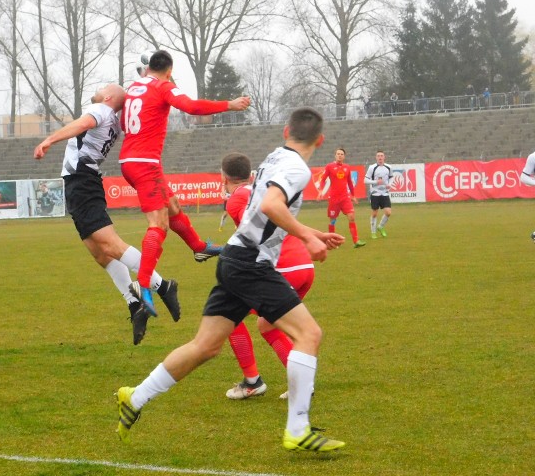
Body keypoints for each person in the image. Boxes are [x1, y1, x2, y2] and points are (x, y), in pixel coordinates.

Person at [116, 107, 347, 453]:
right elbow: (270, 205)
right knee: (309, 334)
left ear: (286, 131)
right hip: (251, 263)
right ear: (321, 140)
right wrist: (309, 237)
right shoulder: (297, 168)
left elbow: (260, 211)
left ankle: (135, 396)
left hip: (234, 259)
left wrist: (311, 232)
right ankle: (297, 428)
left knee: (205, 347)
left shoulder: (274, 157)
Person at [33, 83, 180, 345]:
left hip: (82, 182)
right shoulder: (113, 119)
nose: (98, 91)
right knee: (100, 253)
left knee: (111, 245)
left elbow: (80, 125)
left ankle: (162, 285)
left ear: (109, 97)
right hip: (81, 183)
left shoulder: (100, 109)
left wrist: (49, 140)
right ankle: (135, 305)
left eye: (102, 88)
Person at [118, 49, 250, 317]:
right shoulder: (162, 85)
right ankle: (144, 287)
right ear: (169, 70)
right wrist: (230, 104)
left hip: (130, 160)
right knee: (159, 224)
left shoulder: (135, 87)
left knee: (173, 205)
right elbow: (191, 107)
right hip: (145, 163)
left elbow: (124, 122)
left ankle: (199, 248)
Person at [221, 152, 316, 401]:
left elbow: (258, 234)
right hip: (303, 265)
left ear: (224, 177)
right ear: (251, 174)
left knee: (226, 317)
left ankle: (252, 382)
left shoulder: (236, 199)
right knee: (267, 325)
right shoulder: (263, 189)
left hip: (279, 266)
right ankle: (301, 384)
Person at [317, 147, 366, 248]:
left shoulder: (347, 167)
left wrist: (353, 195)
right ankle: (331, 241)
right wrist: (321, 191)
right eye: (338, 154)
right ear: (335, 155)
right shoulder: (330, 166)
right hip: (334, 199)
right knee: (333, 220)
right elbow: (323, 180)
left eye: (341, 154)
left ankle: (356, 241)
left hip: (345, 198)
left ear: (344, 156)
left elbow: (350, 183)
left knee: (351, 217)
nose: (340, 155)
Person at [364, 150, 393, 239]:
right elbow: (365, 180)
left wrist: (389, 185)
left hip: (384, 193)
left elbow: (391, 177)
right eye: (378, 156)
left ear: (384, 157)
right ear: (376, 157)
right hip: (375, 193)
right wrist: (376, 181)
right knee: (374, 214)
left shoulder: (388, 167)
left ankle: (380, 226)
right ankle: (373, 232)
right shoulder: (372, 167)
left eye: (381, 156)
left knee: (388, 212)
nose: (380, 157)